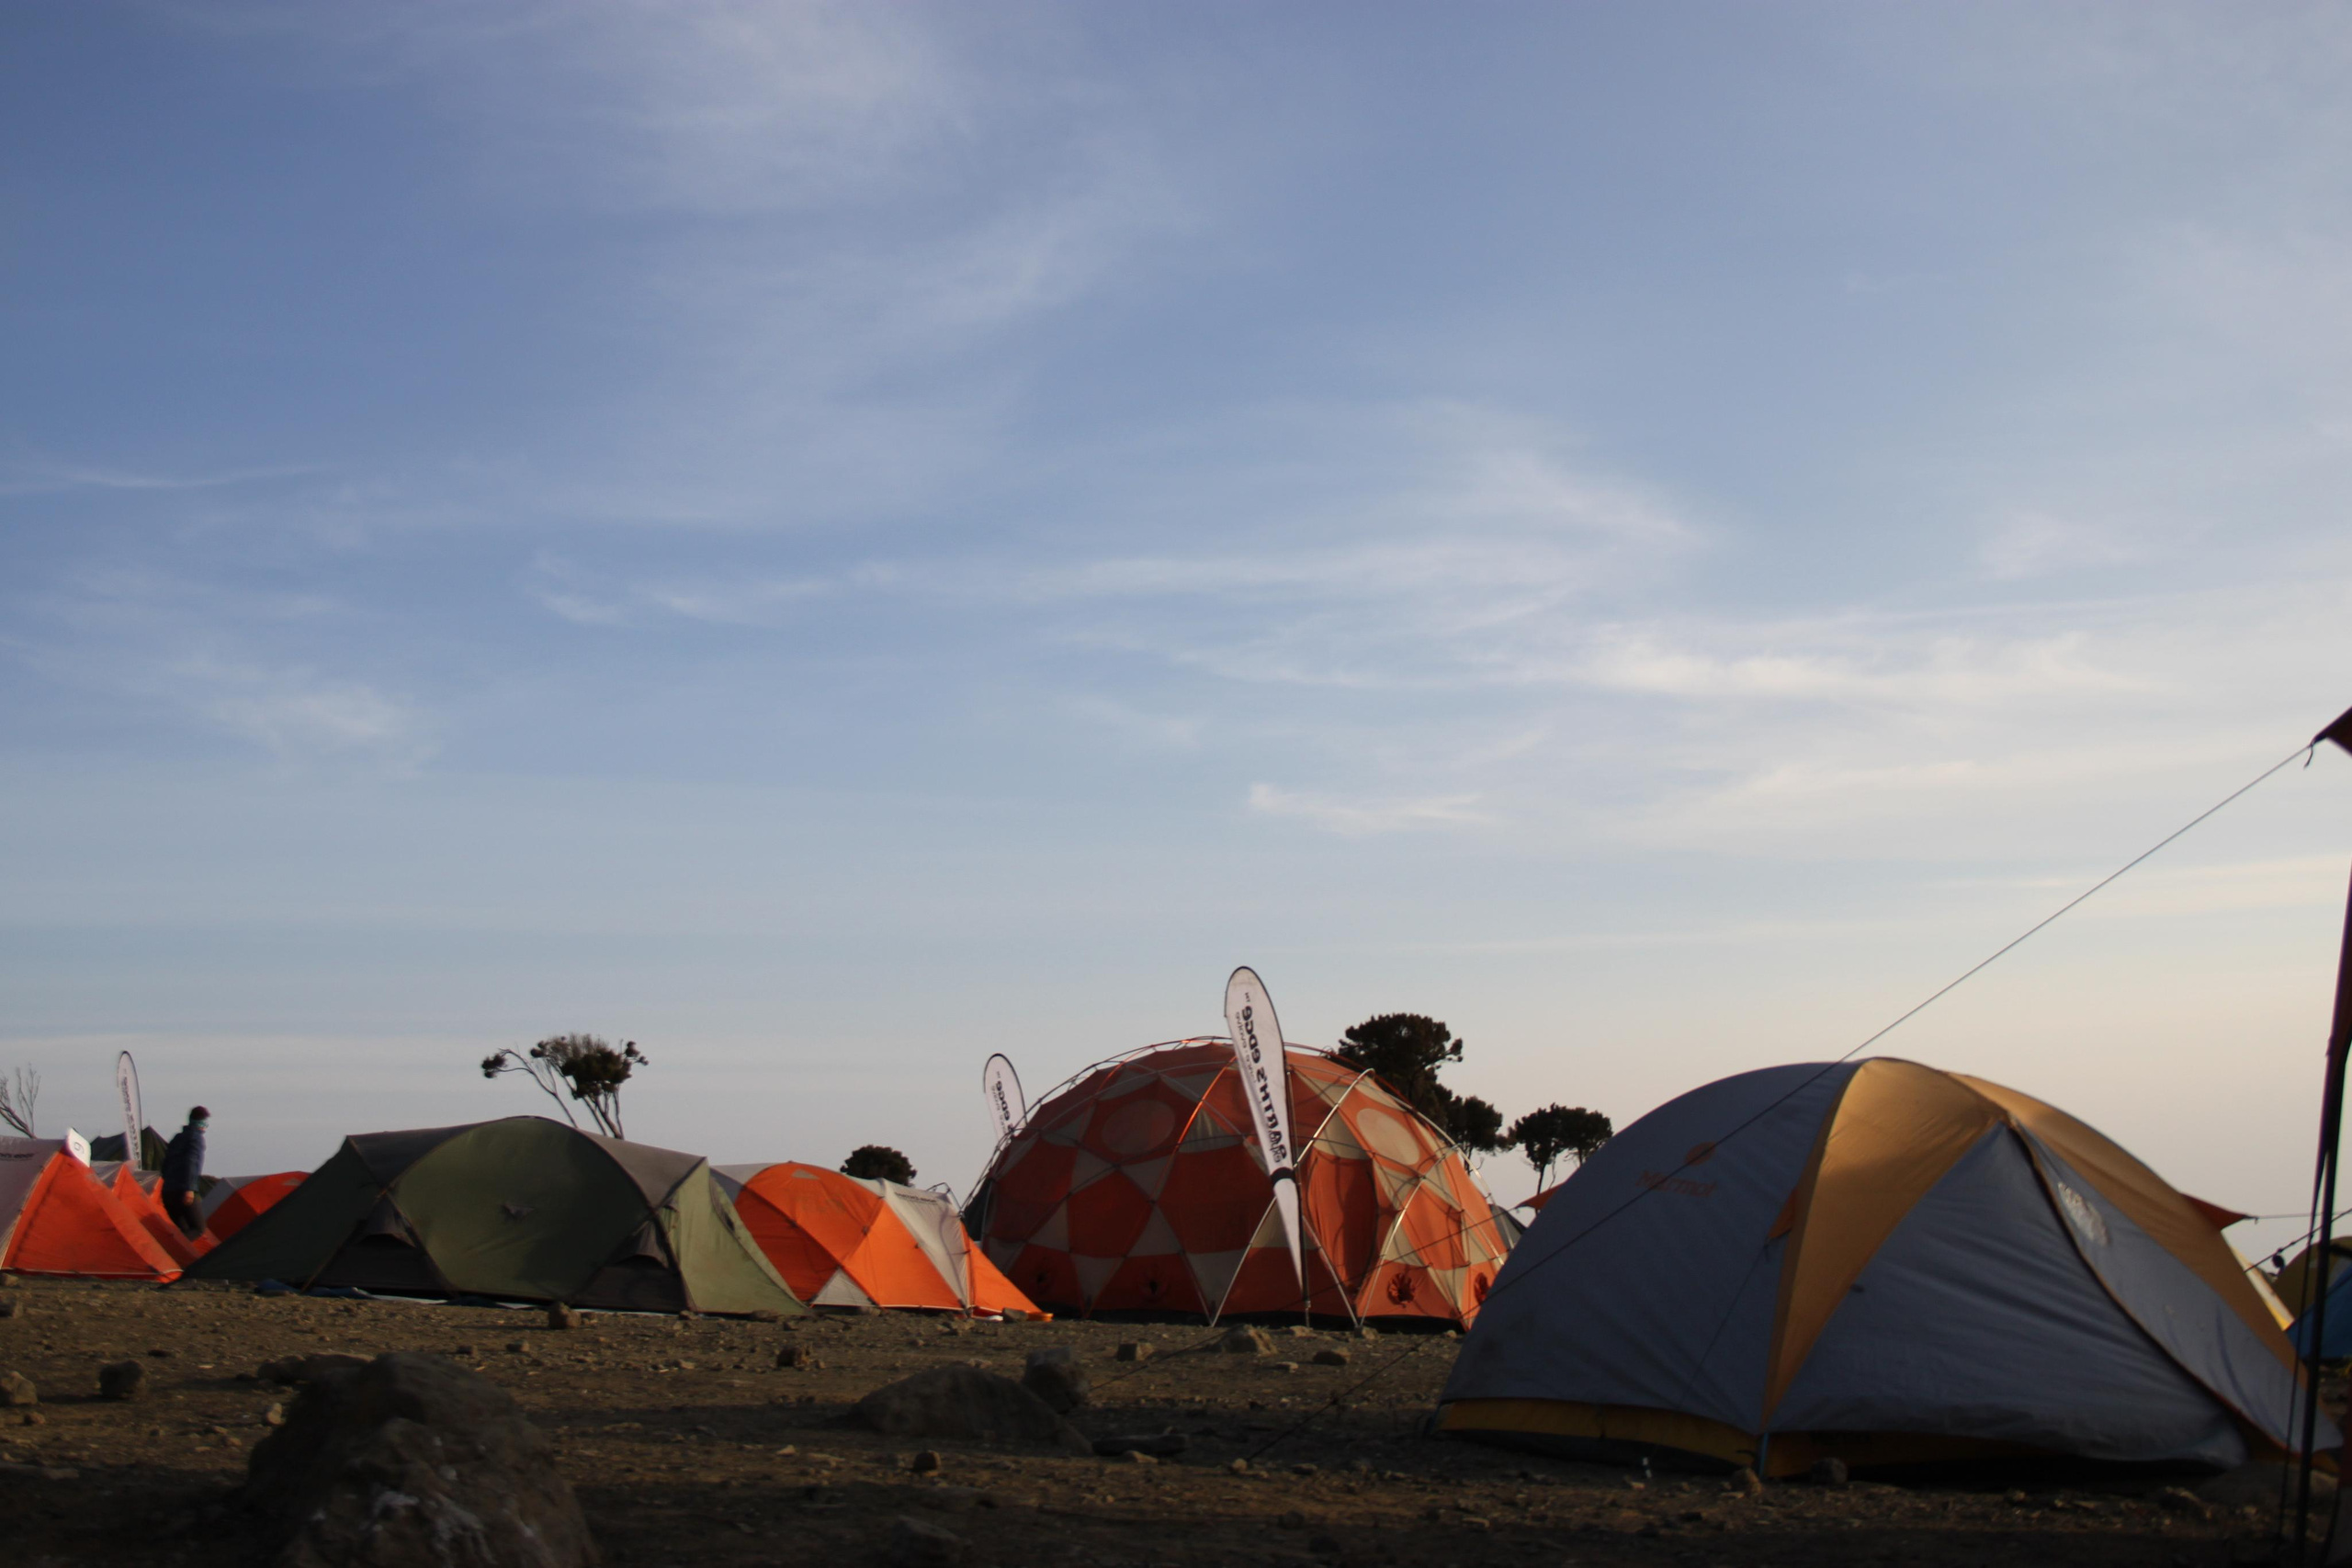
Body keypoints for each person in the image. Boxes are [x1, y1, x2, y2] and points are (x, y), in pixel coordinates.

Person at [160, 1106, 209, 1239]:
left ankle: (171, 1253)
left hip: (168, 1191)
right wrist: (190, 1189)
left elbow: (165, 1164)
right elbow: (191, 1163)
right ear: (203, 1124)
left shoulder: (178, 1138)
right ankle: (169, 1252)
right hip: (182, 1190)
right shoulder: (196, 1139)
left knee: (183, 1231)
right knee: (198, 1229)